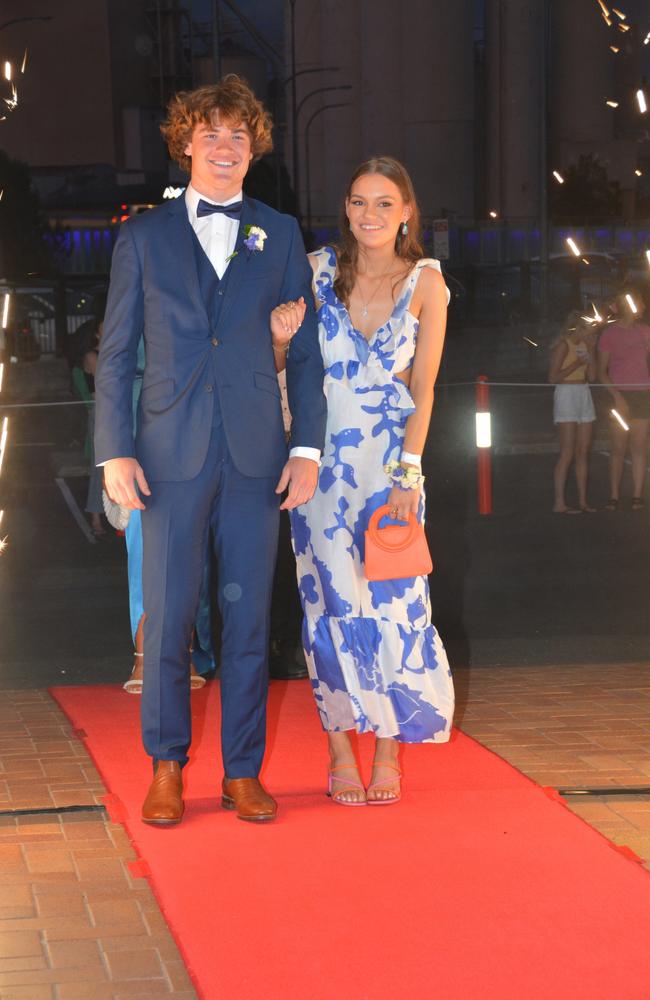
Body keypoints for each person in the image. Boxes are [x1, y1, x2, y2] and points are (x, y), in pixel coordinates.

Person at [95, 74, 326, 826]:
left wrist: (308, 449)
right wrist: (113, 451)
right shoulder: (141, 237)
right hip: (167, 455)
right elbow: (119, 348)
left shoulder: (281, 232)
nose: (225, 148)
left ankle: (242, 772)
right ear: (185, 144)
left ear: (253, 147)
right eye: (210, 135)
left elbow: (309, 356)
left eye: (238, 136)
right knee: (166, 619)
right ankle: (166, 766)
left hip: (260, 455)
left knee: (251, 619)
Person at [289, 156, 454, 806]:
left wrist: (409, 471)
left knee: (392, 602)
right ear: (346, 209)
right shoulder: (315, 270)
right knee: (327, 605)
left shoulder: (426, 283)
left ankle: (388, 747)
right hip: (321, 467)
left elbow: (425, 385)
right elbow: (289, 362)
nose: (370, 215)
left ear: (407, 211)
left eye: (385, 203)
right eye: (359, 202)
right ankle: (338, 751)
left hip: (390, 464)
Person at [122, 340, 214, 694]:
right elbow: (121, 365)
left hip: (206, 414)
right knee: (145, 539)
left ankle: (185, 649)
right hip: (146, 424)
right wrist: (118, 450)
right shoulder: (139, 285)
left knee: (194, 543)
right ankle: (146, 651)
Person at [597, 288, 650, 511]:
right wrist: (616, 395)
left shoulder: (646, 331)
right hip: (619, 395)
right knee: (618, 448)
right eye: (640, 303)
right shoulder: (610, 334)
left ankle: (637, 495)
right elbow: (601, 371)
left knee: (639, 447)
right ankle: (614, 495)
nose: (644, 307)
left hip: (643, 393)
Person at [548, 311, 597, 513]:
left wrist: (592, 353)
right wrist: (578, 363)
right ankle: (559, 503)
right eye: (588, 328)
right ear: (578, 328)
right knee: (567, 451)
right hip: (566, 393)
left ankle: (583, 502)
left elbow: (592, 377)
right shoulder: (564, 345)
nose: (591, 332)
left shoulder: (586, 346)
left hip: (583, 393)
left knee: (582, 451)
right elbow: (552, 378)